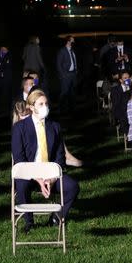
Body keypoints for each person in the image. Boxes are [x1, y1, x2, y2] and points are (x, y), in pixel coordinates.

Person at [12, 90, 80, 232]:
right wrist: (38, 179)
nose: (45, 107)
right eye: (41, 104)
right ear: (31, 107)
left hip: (50, 174)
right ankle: (29, 222)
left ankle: (56, 217)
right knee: (21, 185)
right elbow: (19, 159)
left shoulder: (54, 127)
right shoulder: (19, 128)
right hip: (29, 174)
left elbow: (59, 157)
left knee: (72, 186)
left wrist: (51, 179)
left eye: (46, 103)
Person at [56, 35, 78, 116]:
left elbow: (74, 62)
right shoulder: (62, 51)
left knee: (72, 93)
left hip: (73, 74)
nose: (74, 42)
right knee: (64, 93)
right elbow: (58, 64)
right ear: (68, 41)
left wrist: (75, 72)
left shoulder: (72, 51)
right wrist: (63, 75)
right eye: (72, 41)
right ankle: (61, 110)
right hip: (66, 74)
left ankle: (71, 110)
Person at [111, 71, 132, 136]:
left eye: (129, 78)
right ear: (120, 80)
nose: (128, 79)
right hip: (122, 112)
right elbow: (116, 105)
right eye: (125, 78)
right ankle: (130, 137)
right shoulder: (115, 90)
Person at [0, 46, 14, 117]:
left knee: (8, 95)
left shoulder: (9, 55)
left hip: (7, 80)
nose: (6, 50)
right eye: (5, 49)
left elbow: (8, 67)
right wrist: (0, 72)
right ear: (1, 48)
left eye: (7, 49)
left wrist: (2, 71)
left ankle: (8, 111)